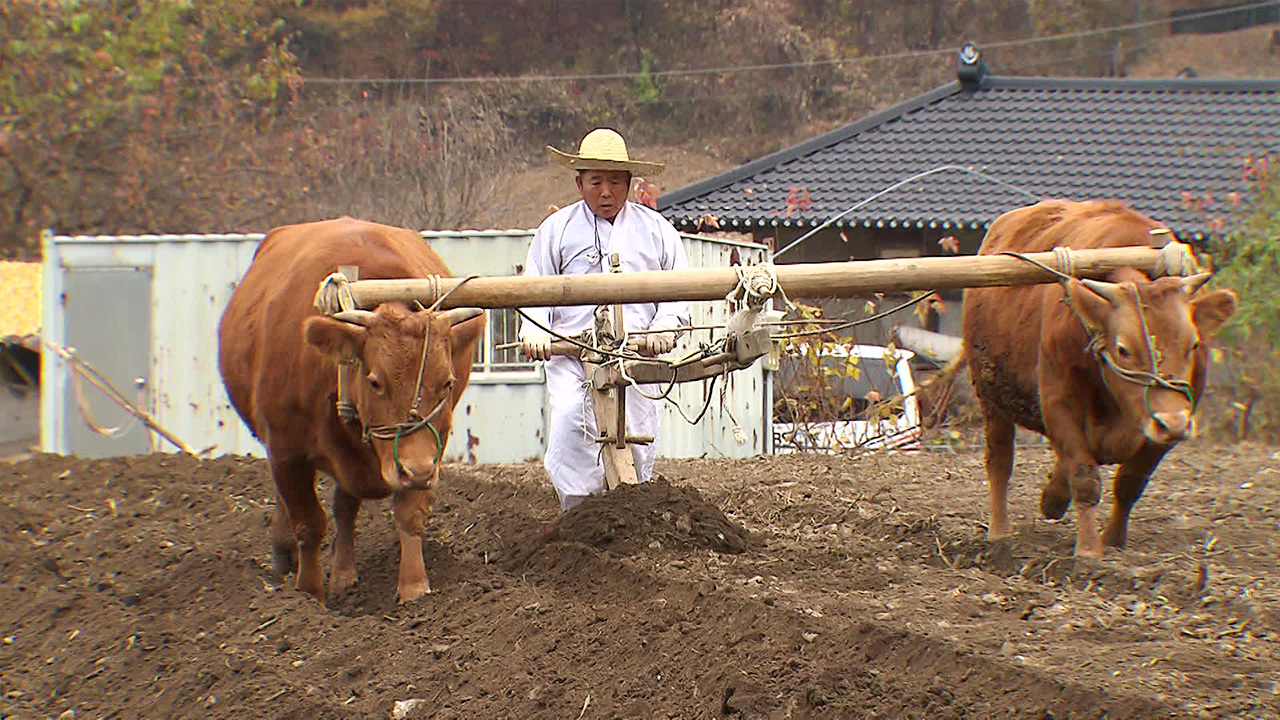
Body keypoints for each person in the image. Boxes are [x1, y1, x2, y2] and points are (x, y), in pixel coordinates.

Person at [519, 128, 691, 511]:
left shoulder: (657, 231)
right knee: (570, 424)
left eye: (615, 182)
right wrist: (534, 331)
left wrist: (665, 327)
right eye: (596, 182)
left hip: (637, 358)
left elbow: (678, 289)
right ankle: (577, 512)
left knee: (638, 430)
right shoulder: (556, 231)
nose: (606, 192)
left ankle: (632, 509)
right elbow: (533, 289)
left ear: (630, 183)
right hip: (572, 358)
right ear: (579, 182)